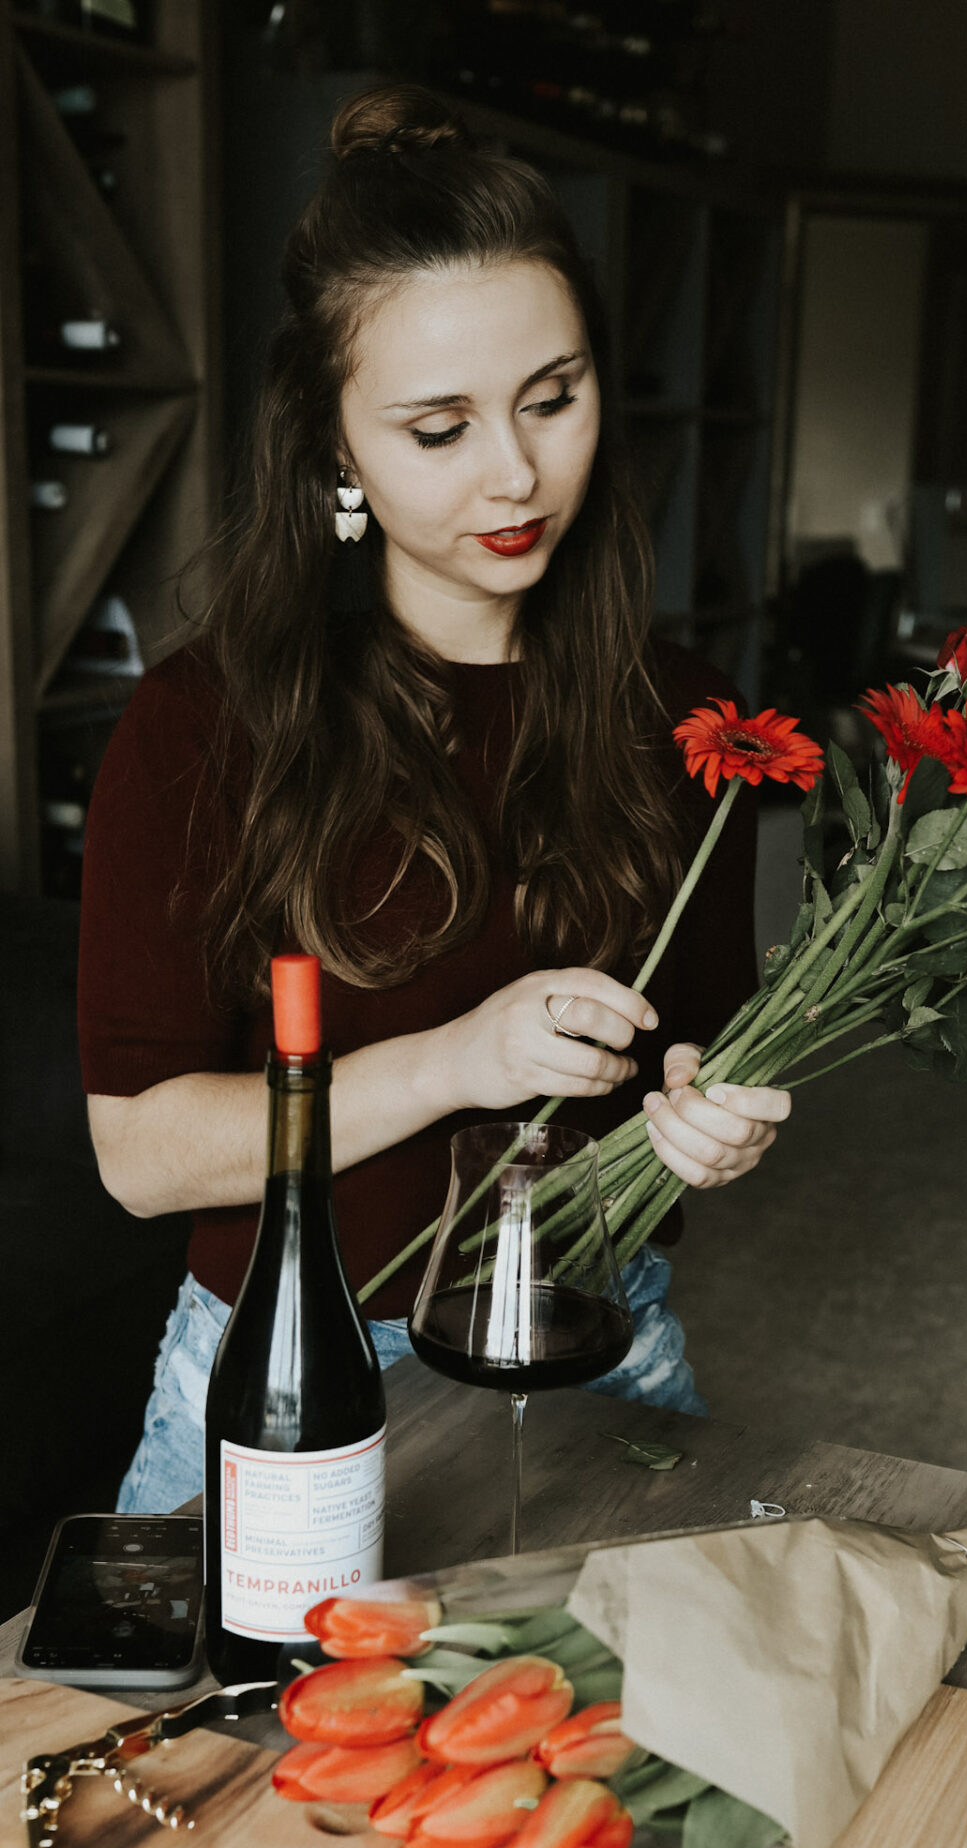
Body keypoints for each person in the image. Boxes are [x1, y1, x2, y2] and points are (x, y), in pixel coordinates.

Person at [77, 82, 791, 1516]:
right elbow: (142, 1158)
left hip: (596, 1331)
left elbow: (696, 1043)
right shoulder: (203, 728)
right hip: (286, 1366)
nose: (517, 472)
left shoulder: (687, 710)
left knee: (638, 1736)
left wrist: (715, 1121)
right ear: (338, 446)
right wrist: (455, 1063)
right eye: (437, 428)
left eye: (552, 398)